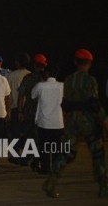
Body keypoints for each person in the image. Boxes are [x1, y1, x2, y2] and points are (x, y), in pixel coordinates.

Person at [42, 49, 108, 198]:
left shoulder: (68, 80)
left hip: (72, 123)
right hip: (88, 123)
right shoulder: (90, 80)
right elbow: (94, 104)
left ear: (75, 63)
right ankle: (104, 186)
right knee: (98, 154)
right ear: (89, 63)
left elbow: (64, 104)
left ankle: (51, 181)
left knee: (65, 154)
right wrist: (104, 120)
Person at [31, 63, 64, 175]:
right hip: (57, 122)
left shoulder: (40, 86)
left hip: (43, 121)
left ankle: (45, 168)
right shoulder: (62, 86)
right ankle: (56, 168)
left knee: (44, 146)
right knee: (56, 148)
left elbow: (32, 96)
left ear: (47, 73)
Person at [16, 53, 47, 170]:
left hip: (29, 111)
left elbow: (21, 96)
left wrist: (20, 111)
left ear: (34, 65)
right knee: (41, 137)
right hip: (44, 111)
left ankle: (31, 158)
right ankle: (36, 159)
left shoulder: (27, 78)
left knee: (30, 136)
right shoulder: (46, 79)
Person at [7, 52, 31, 165]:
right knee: (27, 133)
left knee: (15, 133)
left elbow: (8, 93)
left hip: (15, 107)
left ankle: (15, 155)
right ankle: (26, 156)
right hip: (27, 108)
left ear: (17, 63)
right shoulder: (30, 74)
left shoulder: (11, 75)